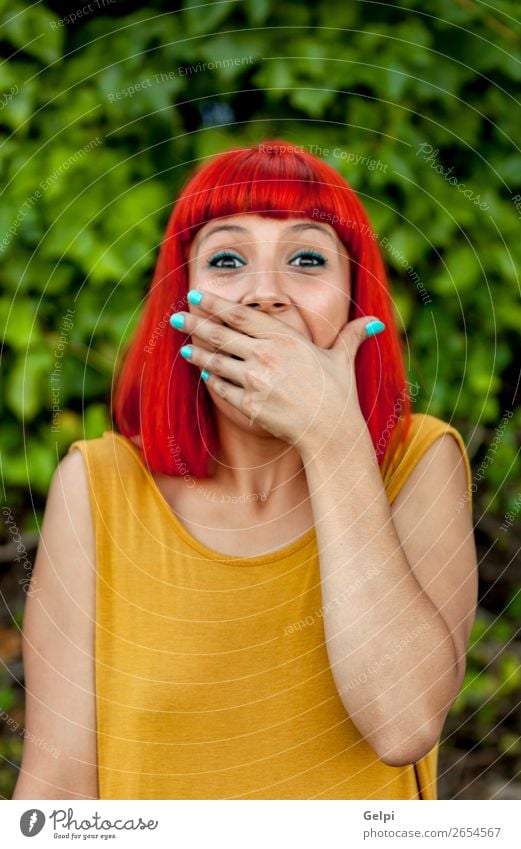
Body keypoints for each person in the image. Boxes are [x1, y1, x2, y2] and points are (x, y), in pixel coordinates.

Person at [13, 139, 478, 800]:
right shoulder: (95, 486)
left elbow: (402, 722)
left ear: (354, 301)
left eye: (307, 258)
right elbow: (57, 787)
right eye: (227, 259)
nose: (264, 294)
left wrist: (333, 438)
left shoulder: (420, 462)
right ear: (184, 300)